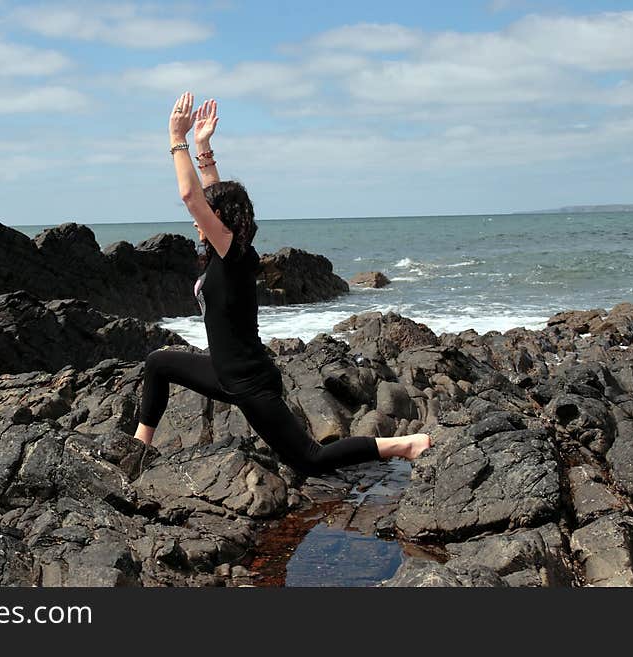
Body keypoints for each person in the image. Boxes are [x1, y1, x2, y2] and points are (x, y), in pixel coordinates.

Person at [133, 91, 431, 476]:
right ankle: (139, 449)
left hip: (249, 382)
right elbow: (211, 198)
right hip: (225, 373)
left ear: (220, 220)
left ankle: (405, 445)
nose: (196, 220)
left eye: (208, 215)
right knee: (158, 363)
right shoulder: (233, 250)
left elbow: (193, 197)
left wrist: (178, 140)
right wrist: (205, 148)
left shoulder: (233, 255)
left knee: (309, 459)